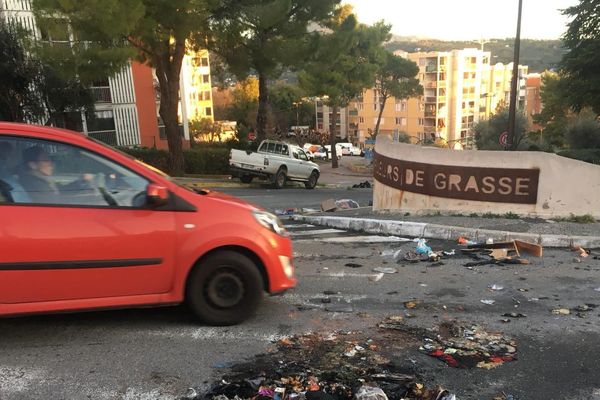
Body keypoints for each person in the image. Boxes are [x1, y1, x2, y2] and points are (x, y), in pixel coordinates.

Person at [18, 146, 94, 204]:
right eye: (45, 160)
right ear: (33, 165)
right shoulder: (35, 185)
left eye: (50, 159)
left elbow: (61, 189)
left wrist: (82, 180)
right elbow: (58, 202)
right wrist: (88, 200)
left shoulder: (39, 179)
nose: (51, 163)